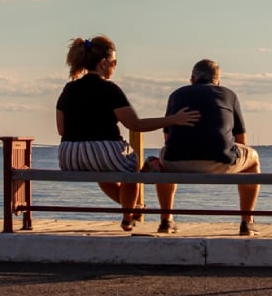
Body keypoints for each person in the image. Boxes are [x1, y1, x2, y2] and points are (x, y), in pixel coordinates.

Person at [56, 35, 200, 232]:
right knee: (131, 167)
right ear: (104, 63)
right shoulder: (109, 89)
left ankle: (132, 210)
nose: (115, 66)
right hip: (103, 150)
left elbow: (61, 129)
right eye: (114, 62)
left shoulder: (69, 88)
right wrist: (173, 119)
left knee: (101, 171)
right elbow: (135, 124)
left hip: (69, 155)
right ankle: (127, 217)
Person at [155, 59, 262, 236]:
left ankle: (166, 220)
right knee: (253, 159)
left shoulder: (176, 95)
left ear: (192, 78)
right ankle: (247, 222)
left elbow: (168, 137)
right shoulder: (229, 95)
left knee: (162, 158)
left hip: (176, 162)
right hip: (220, 162)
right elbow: (241, 140)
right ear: (218, 81)